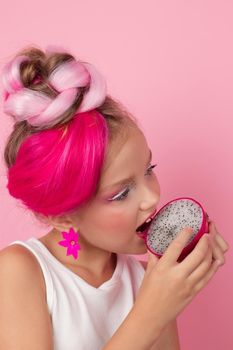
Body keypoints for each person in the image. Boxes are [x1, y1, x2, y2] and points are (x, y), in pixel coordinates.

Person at [0, 46, 229, 350]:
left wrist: (166, 295)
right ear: (62, 216)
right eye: (121, 193)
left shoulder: (146, 279)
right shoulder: (19, 272)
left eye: (149, 169)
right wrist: (151, 313)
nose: (152, 197)